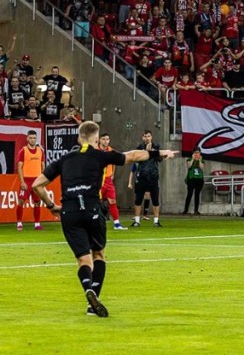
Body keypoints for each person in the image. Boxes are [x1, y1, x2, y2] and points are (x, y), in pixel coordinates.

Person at [32, 120, 178, 317]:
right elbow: (133, 155)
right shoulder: (101, 156)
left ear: (78, 137)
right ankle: (93, 302)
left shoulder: (64, 160)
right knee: (98, 255)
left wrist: (51, 206)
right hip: (92, 209)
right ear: (97, 138)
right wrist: (161, 153)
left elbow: (37, 185)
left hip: (70, 211)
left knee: (83, 260)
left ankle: (87, 290)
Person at [129, 130, 166, 227]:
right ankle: (137, 220)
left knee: (155, 200)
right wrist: (146, 151)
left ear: (151, 137)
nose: (147, 138)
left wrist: (152, 152)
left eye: (149, 136)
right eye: (145, 136)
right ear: (143, 137)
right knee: (138, 199)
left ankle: (156, 221)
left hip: (153, 177)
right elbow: (136, 158)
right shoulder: (139, 147)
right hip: (141, 177)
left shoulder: (156, 147)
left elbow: (160, 159)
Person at [15, 130, 45, 230]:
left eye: (34, 138)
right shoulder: (23, 151)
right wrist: (22, 181)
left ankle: (37, 223)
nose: (32, 140)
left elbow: (43, 166)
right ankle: (19, 222)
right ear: (27, 138)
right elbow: (19, 167)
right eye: (31, 138)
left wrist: (43, 180)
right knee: (21, 201)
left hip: (37, 180)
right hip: (26, 179)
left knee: (37, 202)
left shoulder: (40, 151)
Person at [98, 133, 126, 230]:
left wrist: (113, 173)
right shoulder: (96, 150)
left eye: (107, 139)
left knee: (113, 201)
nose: (106, 141)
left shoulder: (111, 151)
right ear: (99, 140)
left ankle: (117, 223)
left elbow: (114, 162)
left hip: (108, 180)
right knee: (97, 201)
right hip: (98, 180)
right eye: (104, 139)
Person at [183, 150, 205, 215]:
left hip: (199, 179)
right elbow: (189, 166)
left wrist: (200, 160)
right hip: (191, 179)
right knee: (189, 194)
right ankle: (186, 210)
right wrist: (192, 159)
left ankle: (196, 210)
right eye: (195, 153)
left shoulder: (202, 160)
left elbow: (201, 167)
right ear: (193, 153)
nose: (197, 154)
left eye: (198, 153)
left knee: (197, 194)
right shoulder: (189, 159)